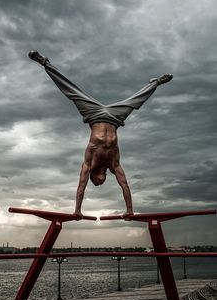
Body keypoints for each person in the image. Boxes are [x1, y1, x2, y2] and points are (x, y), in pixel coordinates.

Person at [29, 51, 173, 218]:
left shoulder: (88, 164)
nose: (99, 185)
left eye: (96, 183)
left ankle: (45, 63)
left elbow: (81, 185)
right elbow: (125, 185)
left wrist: (77, 210)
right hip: (114, 118)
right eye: (99, 184)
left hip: (94, 114)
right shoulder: (114, 164)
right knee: (136, 101)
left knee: (72, 91)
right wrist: (130, 210)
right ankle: (156, 82)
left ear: (94, 176)